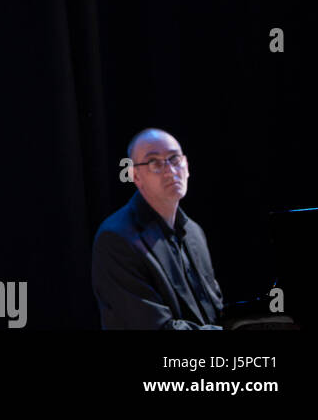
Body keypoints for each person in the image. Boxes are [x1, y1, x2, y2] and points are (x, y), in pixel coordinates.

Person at [92, 128, 223, 329]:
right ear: (135, 176)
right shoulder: (116, 238)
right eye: (154, 163)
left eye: (174, 159)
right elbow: (155, 326)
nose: (170, 171)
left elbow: (215, 310)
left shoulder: (194, 232)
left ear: (186, 166)